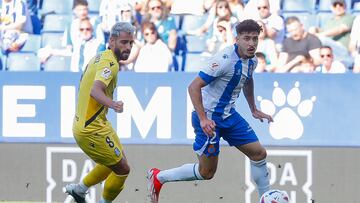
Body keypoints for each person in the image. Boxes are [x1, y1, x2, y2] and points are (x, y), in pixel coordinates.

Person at [147, 19, 273, 203]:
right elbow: (193, 87)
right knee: (206, 172)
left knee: (259, 153)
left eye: (255, 39)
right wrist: (203, 119)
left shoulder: (252, 60)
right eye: (247, 38)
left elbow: (248, 79)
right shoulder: (223, 61)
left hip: (230, 116)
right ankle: (158, 177)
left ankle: (266, 198)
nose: (252, 43)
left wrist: (253, 108)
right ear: (236, 39)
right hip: (209, 120)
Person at [63, 22, 135, 203]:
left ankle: (80, 190)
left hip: (95, 123)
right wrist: (113, 104)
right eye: (124, 42)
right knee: (122, 169)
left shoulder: (99, 57)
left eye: (131, 43)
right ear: (112, 41)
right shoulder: (110, 63)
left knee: (118, 160)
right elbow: (95, 91)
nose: (128, 47)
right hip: (91, 128)